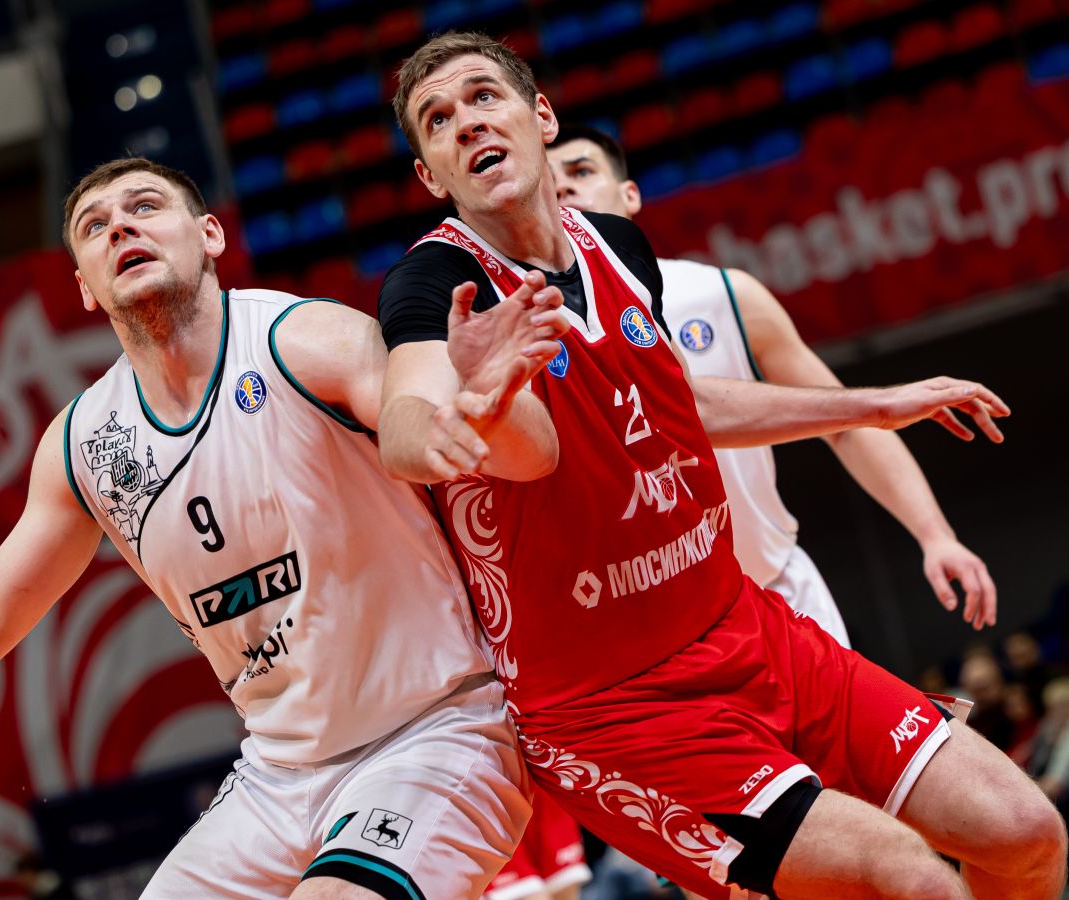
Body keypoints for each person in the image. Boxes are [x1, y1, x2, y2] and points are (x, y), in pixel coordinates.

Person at [0, 157, 575, 899]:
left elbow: (505, 452)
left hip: (437, 730)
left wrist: (473, 413)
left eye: (144, 207)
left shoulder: (304, 339)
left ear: (209, 235)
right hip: (279, 774)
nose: (120, 228)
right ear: (84, 286)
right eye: (94, 227)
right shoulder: (85, 443)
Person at [379, 31, 1065, 900]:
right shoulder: (437, 285)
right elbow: (407, 418)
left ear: (540, 116)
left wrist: (871, 404)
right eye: (438, 119)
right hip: (615, 706)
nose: (467, 122)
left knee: (1026, 832)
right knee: (910, 880)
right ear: (431, 176)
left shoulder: (618, 245)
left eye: (484, 96)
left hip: (744, 626)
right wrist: (459, 412)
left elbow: (680, 405)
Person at [547, 123, 998, 645]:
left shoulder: (724, 294)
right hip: (658, 625)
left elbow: (846, 425)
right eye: (549, 180)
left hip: (776, 585)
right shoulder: (539, 327)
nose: (564, 186)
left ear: (630, 194)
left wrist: (935, 534)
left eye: (581, 171)